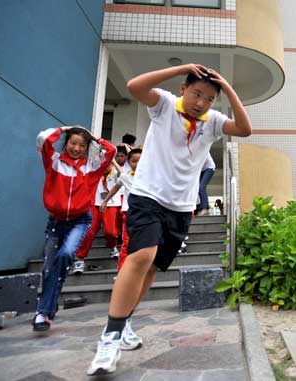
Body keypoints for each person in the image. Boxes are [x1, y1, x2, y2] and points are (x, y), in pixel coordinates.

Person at [87, 63, 252, 375]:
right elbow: (135, 85)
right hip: (147, 196)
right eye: (196, 93)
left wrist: (227, 88)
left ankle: (123, 323)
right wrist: (181, 68)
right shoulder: (163, 104)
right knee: (141, 256)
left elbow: (244, 129)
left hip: (181, 207)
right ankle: (109, 336)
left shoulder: (213, 121)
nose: (201, 102)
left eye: (209, 98)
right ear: (183, 89)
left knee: (152, 270)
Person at [32, 126, 115, 331]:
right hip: (56, 222)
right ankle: (46, 311)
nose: (77, 148)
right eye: (73, 143)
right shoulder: (54, 161)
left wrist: (92, 135)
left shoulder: (91, 167)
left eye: (82, 145)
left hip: (80, 220)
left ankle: (43, 311)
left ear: (87, 147)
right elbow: (43, 138)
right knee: (49, 268)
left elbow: (110, 150)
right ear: (66, 142)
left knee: (67, 254)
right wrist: (63, 128)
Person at [73, 163, 122, 273]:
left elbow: (122, 175)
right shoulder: (94, 172)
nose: (105, 167)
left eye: (108, 164)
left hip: (110, 204)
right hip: (94, 203)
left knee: (111, 232)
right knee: (89, 232)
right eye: (103, 164)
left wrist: (113, 161)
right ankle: (80, 259)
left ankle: (112, 246)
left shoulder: (115, 172)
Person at [100, 148, 142, 271]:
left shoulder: (151, 176)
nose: (137, 164)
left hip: (147, 215)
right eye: (134, 161)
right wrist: (105, 200)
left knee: (144, 244)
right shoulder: (125, 176)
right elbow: (115, 188)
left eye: (140, 161)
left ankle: (139, 271)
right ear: (128, 163)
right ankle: (122, 271)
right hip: (129, 213)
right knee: (127, 243)